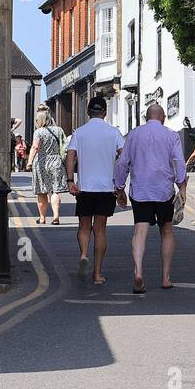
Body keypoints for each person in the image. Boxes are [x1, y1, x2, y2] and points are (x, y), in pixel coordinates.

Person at [113, 102, 188, 293]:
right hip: (164, 191)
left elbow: (122, 163)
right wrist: (182, 185)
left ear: (146, 118)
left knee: (140, 231)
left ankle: (138, 272)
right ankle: (165, 278)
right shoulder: (171, 135)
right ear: (162, 118)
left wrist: (119, 187)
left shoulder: (134, 134)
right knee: (167, 231)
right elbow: (179, 161)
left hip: (141, 190)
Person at [64, 96, 125, 286]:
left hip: (85, 188)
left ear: (88, 112)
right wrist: (120, 184)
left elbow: (70, 156)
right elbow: (124, 158)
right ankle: (97, 274)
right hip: (106, 188)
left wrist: (70, 180)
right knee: (100, 230)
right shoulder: (114, 133)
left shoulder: (79, 133)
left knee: (84, 227)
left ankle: (83, 254)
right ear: (105, 112)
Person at [26, 108, 67, 225]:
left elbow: (35, 147)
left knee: (42, 191)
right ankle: (56, 216)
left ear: (41, 120)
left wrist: (29, 161)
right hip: (56, 162)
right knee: (55, 190)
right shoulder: (59, 130)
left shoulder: (39, 132)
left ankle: (42, 218)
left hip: (41, 162)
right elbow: (65, 146)